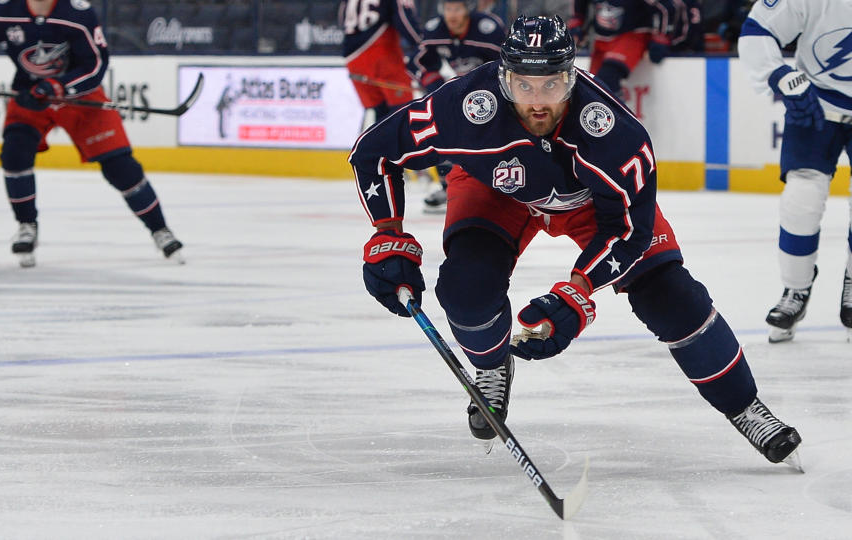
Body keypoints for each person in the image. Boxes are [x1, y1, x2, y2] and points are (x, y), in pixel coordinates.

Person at [354, 15, 801, 466]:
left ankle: (746, 407)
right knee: (465, 288)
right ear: (503, 78)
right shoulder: (467, 104)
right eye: (523, 85)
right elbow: (375, 153)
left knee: (671, 296)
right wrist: (388, 232)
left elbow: (628, 230)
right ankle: (491, 367)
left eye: (550, 84)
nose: (537, 101)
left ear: (572, 76)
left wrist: (580, 289)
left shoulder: (614, 132)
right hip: (494, 189)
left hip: (592, 208)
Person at [0, 0, 183, 268]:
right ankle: (26, 225)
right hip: (29, 96)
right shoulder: (5, 9)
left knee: (121, 168)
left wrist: (57, 87)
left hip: (79, 98)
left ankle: (160, 229)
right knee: (15, 152)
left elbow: (95, 65)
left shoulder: (77, 13)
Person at [738, 0, 852, 343]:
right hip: (816, 105)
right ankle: (796, 288)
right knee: (800, 200)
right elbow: (758, 30)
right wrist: (781, 74)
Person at [408, 0, 505, 213]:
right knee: (438, 129)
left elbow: (506, 66)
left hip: (492, 96)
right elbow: (421, 63)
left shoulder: (488, 28)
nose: (451, 14)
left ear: (467, 9)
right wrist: (435, 86)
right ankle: (447, 186)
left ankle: (494, 186)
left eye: (457, 9)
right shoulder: (435, 28)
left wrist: (484, 89)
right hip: (461, 94)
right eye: (448, 8)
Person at [569, 0, 701, 97]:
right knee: (590, 88)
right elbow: (579, 6)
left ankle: (616, 124)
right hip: (601, 38)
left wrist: (661, 37)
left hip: (632, 35)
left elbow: (666, 7)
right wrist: (577, 22)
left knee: (606, 79)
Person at [339, 0, 424, 126]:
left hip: (353, 60)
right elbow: (404, 19)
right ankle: (402, 145)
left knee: (378, 113)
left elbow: (342, 21)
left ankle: (375, 144)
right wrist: (422, 45)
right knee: (401, 112)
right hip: (381, 53)